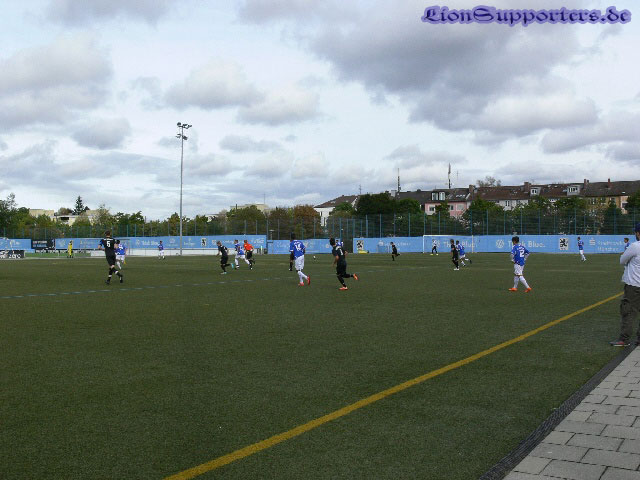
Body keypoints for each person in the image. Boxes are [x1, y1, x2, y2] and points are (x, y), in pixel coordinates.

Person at [610, 223, 640, 347]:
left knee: (628, 311)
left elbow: (622, 260)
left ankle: (624, 339)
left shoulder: (635, 246)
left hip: (634, 284)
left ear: (638, 233)